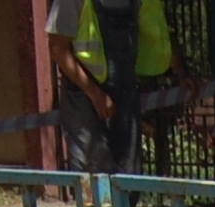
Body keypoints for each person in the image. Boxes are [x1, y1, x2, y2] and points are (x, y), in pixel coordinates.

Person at [45, 0, 193, 175]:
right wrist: (96, 95)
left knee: (128, 173)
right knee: (92, 173)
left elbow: (161, 34)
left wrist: (182, 74)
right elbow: (58, 48)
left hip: (125, 93)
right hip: (84, 98)